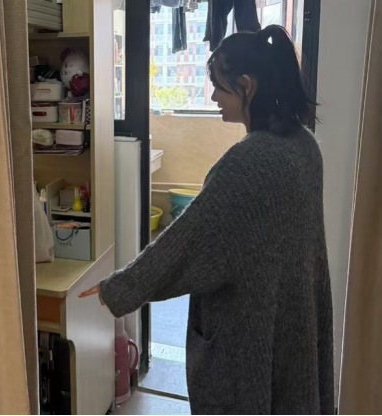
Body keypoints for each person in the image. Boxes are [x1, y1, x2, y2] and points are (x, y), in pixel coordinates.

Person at [81, 25, 334, 415]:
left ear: (247, 86)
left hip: (247, 341)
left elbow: (186, 244)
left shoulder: (247, 163)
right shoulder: (305, 146)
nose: (213, 96)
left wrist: (118, 288)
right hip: (295, 328)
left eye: (219, 86)